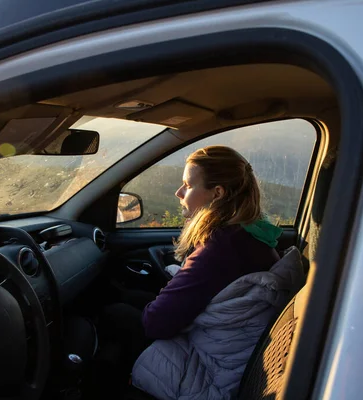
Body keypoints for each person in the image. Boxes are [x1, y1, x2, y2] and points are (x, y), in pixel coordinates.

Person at [96, 146, 291, 397]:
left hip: (213, 372)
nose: (179, 192)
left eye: (188, 185)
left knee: (115, 313)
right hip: (229, 348)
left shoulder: (221, 248)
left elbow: (156, 324)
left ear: (217, 193)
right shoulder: (248, 235)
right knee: (127, 297)